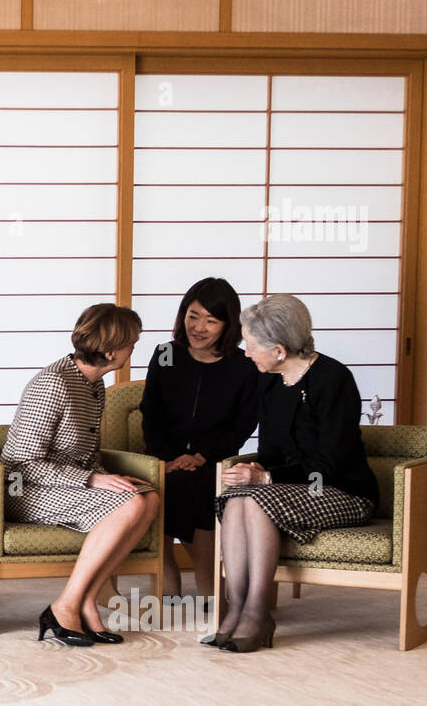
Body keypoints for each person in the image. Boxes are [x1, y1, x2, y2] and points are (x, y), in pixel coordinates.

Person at [210, 294, 378, 653]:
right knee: (236, 498)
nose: (247, 352)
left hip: (342, 490)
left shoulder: (333, 379)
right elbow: (271, 451)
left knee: (254, 501)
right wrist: (256, 468)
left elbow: (328, 464)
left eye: (253, 345)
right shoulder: (269, 379)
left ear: (280, 350)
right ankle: (236, 606)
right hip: (290, 488)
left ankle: (257, 611)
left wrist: (267, 479)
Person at [2, 303, 161, 646]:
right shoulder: (54, 384)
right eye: (131, 342)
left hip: (65, 487)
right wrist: (93, 481)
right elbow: (20, 464)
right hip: (24, 491)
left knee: (147, 498)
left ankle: (87, 601)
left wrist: (107, 477)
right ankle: (64, 606)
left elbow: (87, 456)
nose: (134, 348)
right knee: (131, 505)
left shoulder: (93, 384)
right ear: (110, 351)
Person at [139, 278, 258, 601]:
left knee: (194, 484)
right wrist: (166, 458)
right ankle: (186, 581)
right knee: (168, 482)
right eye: (193, 316)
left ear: (228, 324)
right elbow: (151, 412)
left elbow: (244, 424)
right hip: (164, 457)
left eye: (211, 320)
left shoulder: (244, 365)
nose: (199, 327)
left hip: (214, 461)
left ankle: (195, 580)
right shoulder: (166, 355)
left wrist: (203, 456)